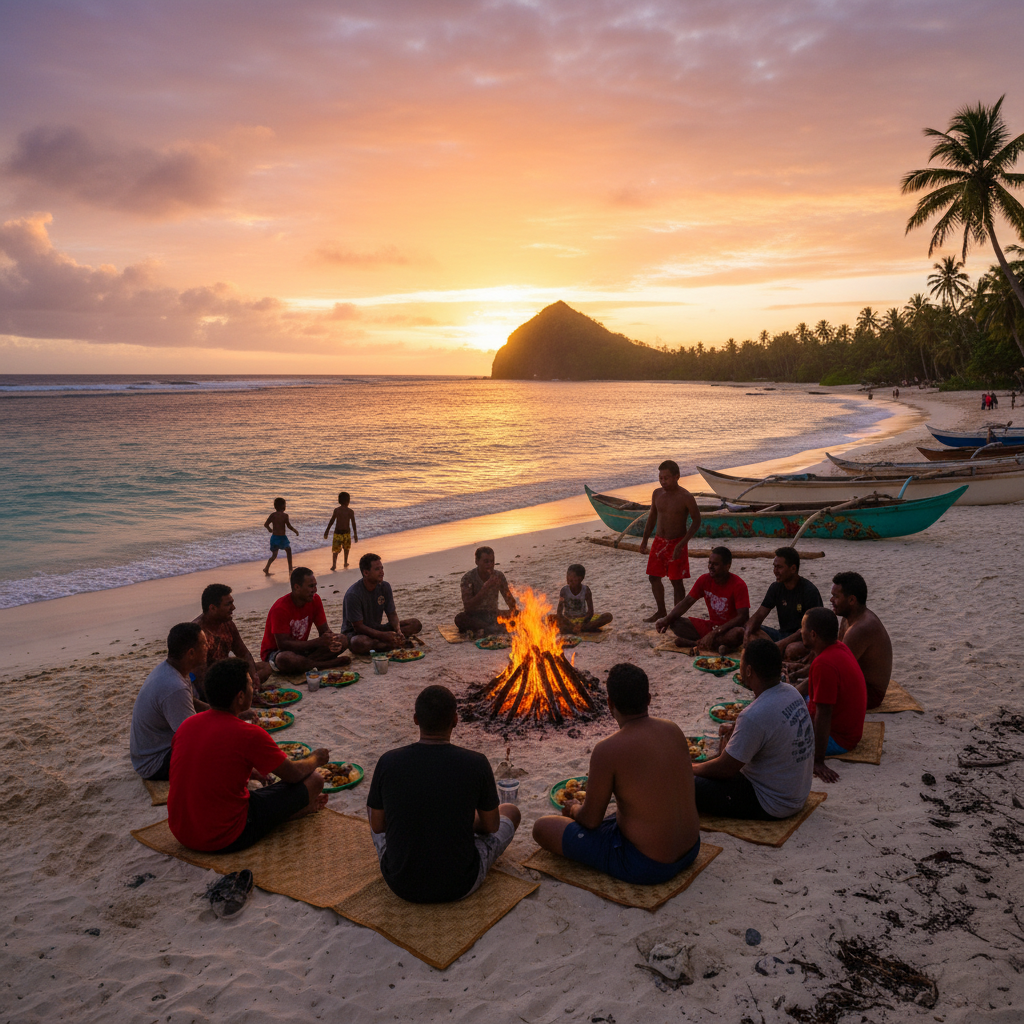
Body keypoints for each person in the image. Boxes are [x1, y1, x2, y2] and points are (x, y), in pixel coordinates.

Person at [532, 663, 700, 885]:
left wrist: (573, 809)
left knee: (542, 827)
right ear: (649, 699)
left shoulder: (607, 749)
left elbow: (591, 821)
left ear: (610, 703)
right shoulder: (673, 729)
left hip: (648, 864)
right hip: (691, 849)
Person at [367, 685, 521, 903]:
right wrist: (461, 820)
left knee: (375, 806)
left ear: (415, 719)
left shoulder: (388, 761)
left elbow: (378, 826)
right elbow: (491, 826)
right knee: (511, 812)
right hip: (461, 883)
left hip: (401, 883)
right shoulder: (476, 763)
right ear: (456, 720)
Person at [168, 659, 329, 853]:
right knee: (315, 780)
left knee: (257, 792)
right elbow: (293, 774)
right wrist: (315, 758)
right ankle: (296, 812)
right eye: (251, 685)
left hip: (182, 831)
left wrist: (252, 773)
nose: (254, 689)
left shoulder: (187, 725)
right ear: (241, 697)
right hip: (225, 836)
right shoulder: (249, 733)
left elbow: (209, 765)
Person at [692, 639, 814, 819]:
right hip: (795, 793)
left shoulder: (754, 715)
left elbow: (725, 769)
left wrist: (690, 768)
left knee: (684, 783)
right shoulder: (790, 691)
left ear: (748, 671)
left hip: (772, 802)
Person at [129, 623, 210, 781]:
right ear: (191, 653)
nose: (208, 646)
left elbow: (191, 702)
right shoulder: (174, 686)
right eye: (204, 643)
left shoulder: (172, 669)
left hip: (150, 752)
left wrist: (220, 713)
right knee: (219, 748)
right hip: (154, 763)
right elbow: (192, 737)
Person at [800, 607, 867, 784]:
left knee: (777, 737)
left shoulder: (824, 664)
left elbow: (824, 715)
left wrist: (818, 761)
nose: (800, 632)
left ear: (813, 635)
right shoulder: (839, 647)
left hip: (838, 739)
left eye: (803, 629)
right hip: (845, 728)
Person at [639, 460, 702, 622]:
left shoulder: (686, 497)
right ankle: (661, 611)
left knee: (676, 581)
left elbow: (696, 521)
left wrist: (682, 544)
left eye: (666, 478)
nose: (663, 481)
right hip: (659, 541)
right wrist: (645, 540)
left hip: (677, 542)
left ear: (677, 477)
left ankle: (675, 616)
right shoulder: (657, 493)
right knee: (653, 577)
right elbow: (652, 516)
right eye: (660, 478)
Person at [655, 546, 749, 653]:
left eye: (715, 564)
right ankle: (718, 645)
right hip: (711, 626)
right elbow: (687, 602)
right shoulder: (704, 580)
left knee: (739, 633)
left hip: (729, 629)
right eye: (709, 563)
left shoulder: (738, 585)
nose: (710, 566)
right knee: (675, 622)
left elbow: (743, 616)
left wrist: (715, 633)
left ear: (727, 566)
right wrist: (666, 620)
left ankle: (695, 643)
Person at [259, 566, 350, 674]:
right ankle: (325, 664)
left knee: (343, 639)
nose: (315, 590)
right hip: (277, 652)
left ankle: (307, 664)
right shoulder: (280, 608)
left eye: (315, 585)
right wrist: (317, 642)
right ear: (297, 587)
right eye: (311, 586)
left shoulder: (315, 600)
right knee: (285, 659)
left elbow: (324, 631)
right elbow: (283, 645)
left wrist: (331, 640)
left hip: (302, 650)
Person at [192, 583, 271, 696]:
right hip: (209, 681)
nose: (233, 607)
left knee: (266, 667)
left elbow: (244, 654)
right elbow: (200, 675)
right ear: (212, 608)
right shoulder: (198, 632)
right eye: (228, 604)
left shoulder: (228, 624)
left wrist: (254, 677)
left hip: (226, 672)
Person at [743, 547, 822, 657]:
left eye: (779, 567)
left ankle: (776, 651)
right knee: (751, 632)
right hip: (781, 634)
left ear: (793, 568)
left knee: (791, 649)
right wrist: (747, 632)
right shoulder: (776, 587)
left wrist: (782, 643)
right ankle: (775, 651)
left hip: (803, 638)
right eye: (774, 567)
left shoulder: (809, 591)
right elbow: (760, 614)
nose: (775, 571)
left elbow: (808, 629)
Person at [830, 571, 893, 709]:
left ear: (852, 600)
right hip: (856, 683)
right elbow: (834, 652)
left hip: (870, 694)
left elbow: (835, 669)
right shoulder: (847, 618)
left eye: (835, 596)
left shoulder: (861, 628)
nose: (831, 600)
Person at [341, 552, 423, 655]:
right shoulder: (353, 594)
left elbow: (392, 614)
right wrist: (383, 636)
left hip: (376, 628)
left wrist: (398, 630)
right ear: (366, 573)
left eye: (382, 568)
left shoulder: (385, 587)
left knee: (415, 624)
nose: (382, 572)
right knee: (359, 642)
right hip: (357, 633)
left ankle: (386, 643)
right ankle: (389, 644)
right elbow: (358, 627)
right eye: (377, 569)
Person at [455, 546, 517, 636]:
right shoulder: (468, 578)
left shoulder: (498, 576)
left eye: (492, 561)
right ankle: (490, 628)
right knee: (460, 619)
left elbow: (509, 598)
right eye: (486, 561)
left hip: (493, 614)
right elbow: (468, 607)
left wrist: (514, 612)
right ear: (477, 561)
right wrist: (485, 588)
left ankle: (491, 628)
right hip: (475, 616)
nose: (490, 565)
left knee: (520, 614)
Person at [550, 563, 613, 633]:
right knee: (550, 619)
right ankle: (582, 629)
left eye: (573, 576)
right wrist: (571, 625)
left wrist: (582, 624)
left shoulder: (586, 590)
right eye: (568, 575)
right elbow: (559, 612)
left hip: (583, 620)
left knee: (608, 616)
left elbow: (590, 612)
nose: (569, 578)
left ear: (581, 579)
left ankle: (579, 629)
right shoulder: (564, 591)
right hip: (568, 620)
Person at [263, 497, 298, 576]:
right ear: (283, 506)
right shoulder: (285, 516)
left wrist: (269, 529)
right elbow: (289, 526)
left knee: (274, 555)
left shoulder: (273, 515)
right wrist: (295, 531)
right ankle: (290, 570)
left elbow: (266, 524)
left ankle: (266, 568)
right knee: (288, 551)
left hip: (274, 538)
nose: (285, 506)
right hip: (282, 538)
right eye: (285, 505)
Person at [324, 491, 358, 571]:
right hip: (346, 533)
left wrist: (327, 531)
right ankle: (345, 562)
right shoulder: (350, 511)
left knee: (335, 550)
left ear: (339, 500)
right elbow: (353, 524)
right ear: (348, 501)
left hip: (338, 533)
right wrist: (355, 534)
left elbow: (331, 521)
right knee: (346, 549)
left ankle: (334, 565)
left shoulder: (337, 510)